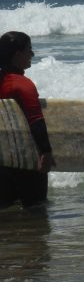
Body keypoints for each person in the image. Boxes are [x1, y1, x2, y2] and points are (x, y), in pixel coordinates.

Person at [0, 31, 56, 209]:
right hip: (28, 163)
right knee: (37, 214)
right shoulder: (23, 85)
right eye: (29, 50)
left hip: (3, 161)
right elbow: (36, 121)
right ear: (17, 55)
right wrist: (46, 153)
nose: (32, 55)